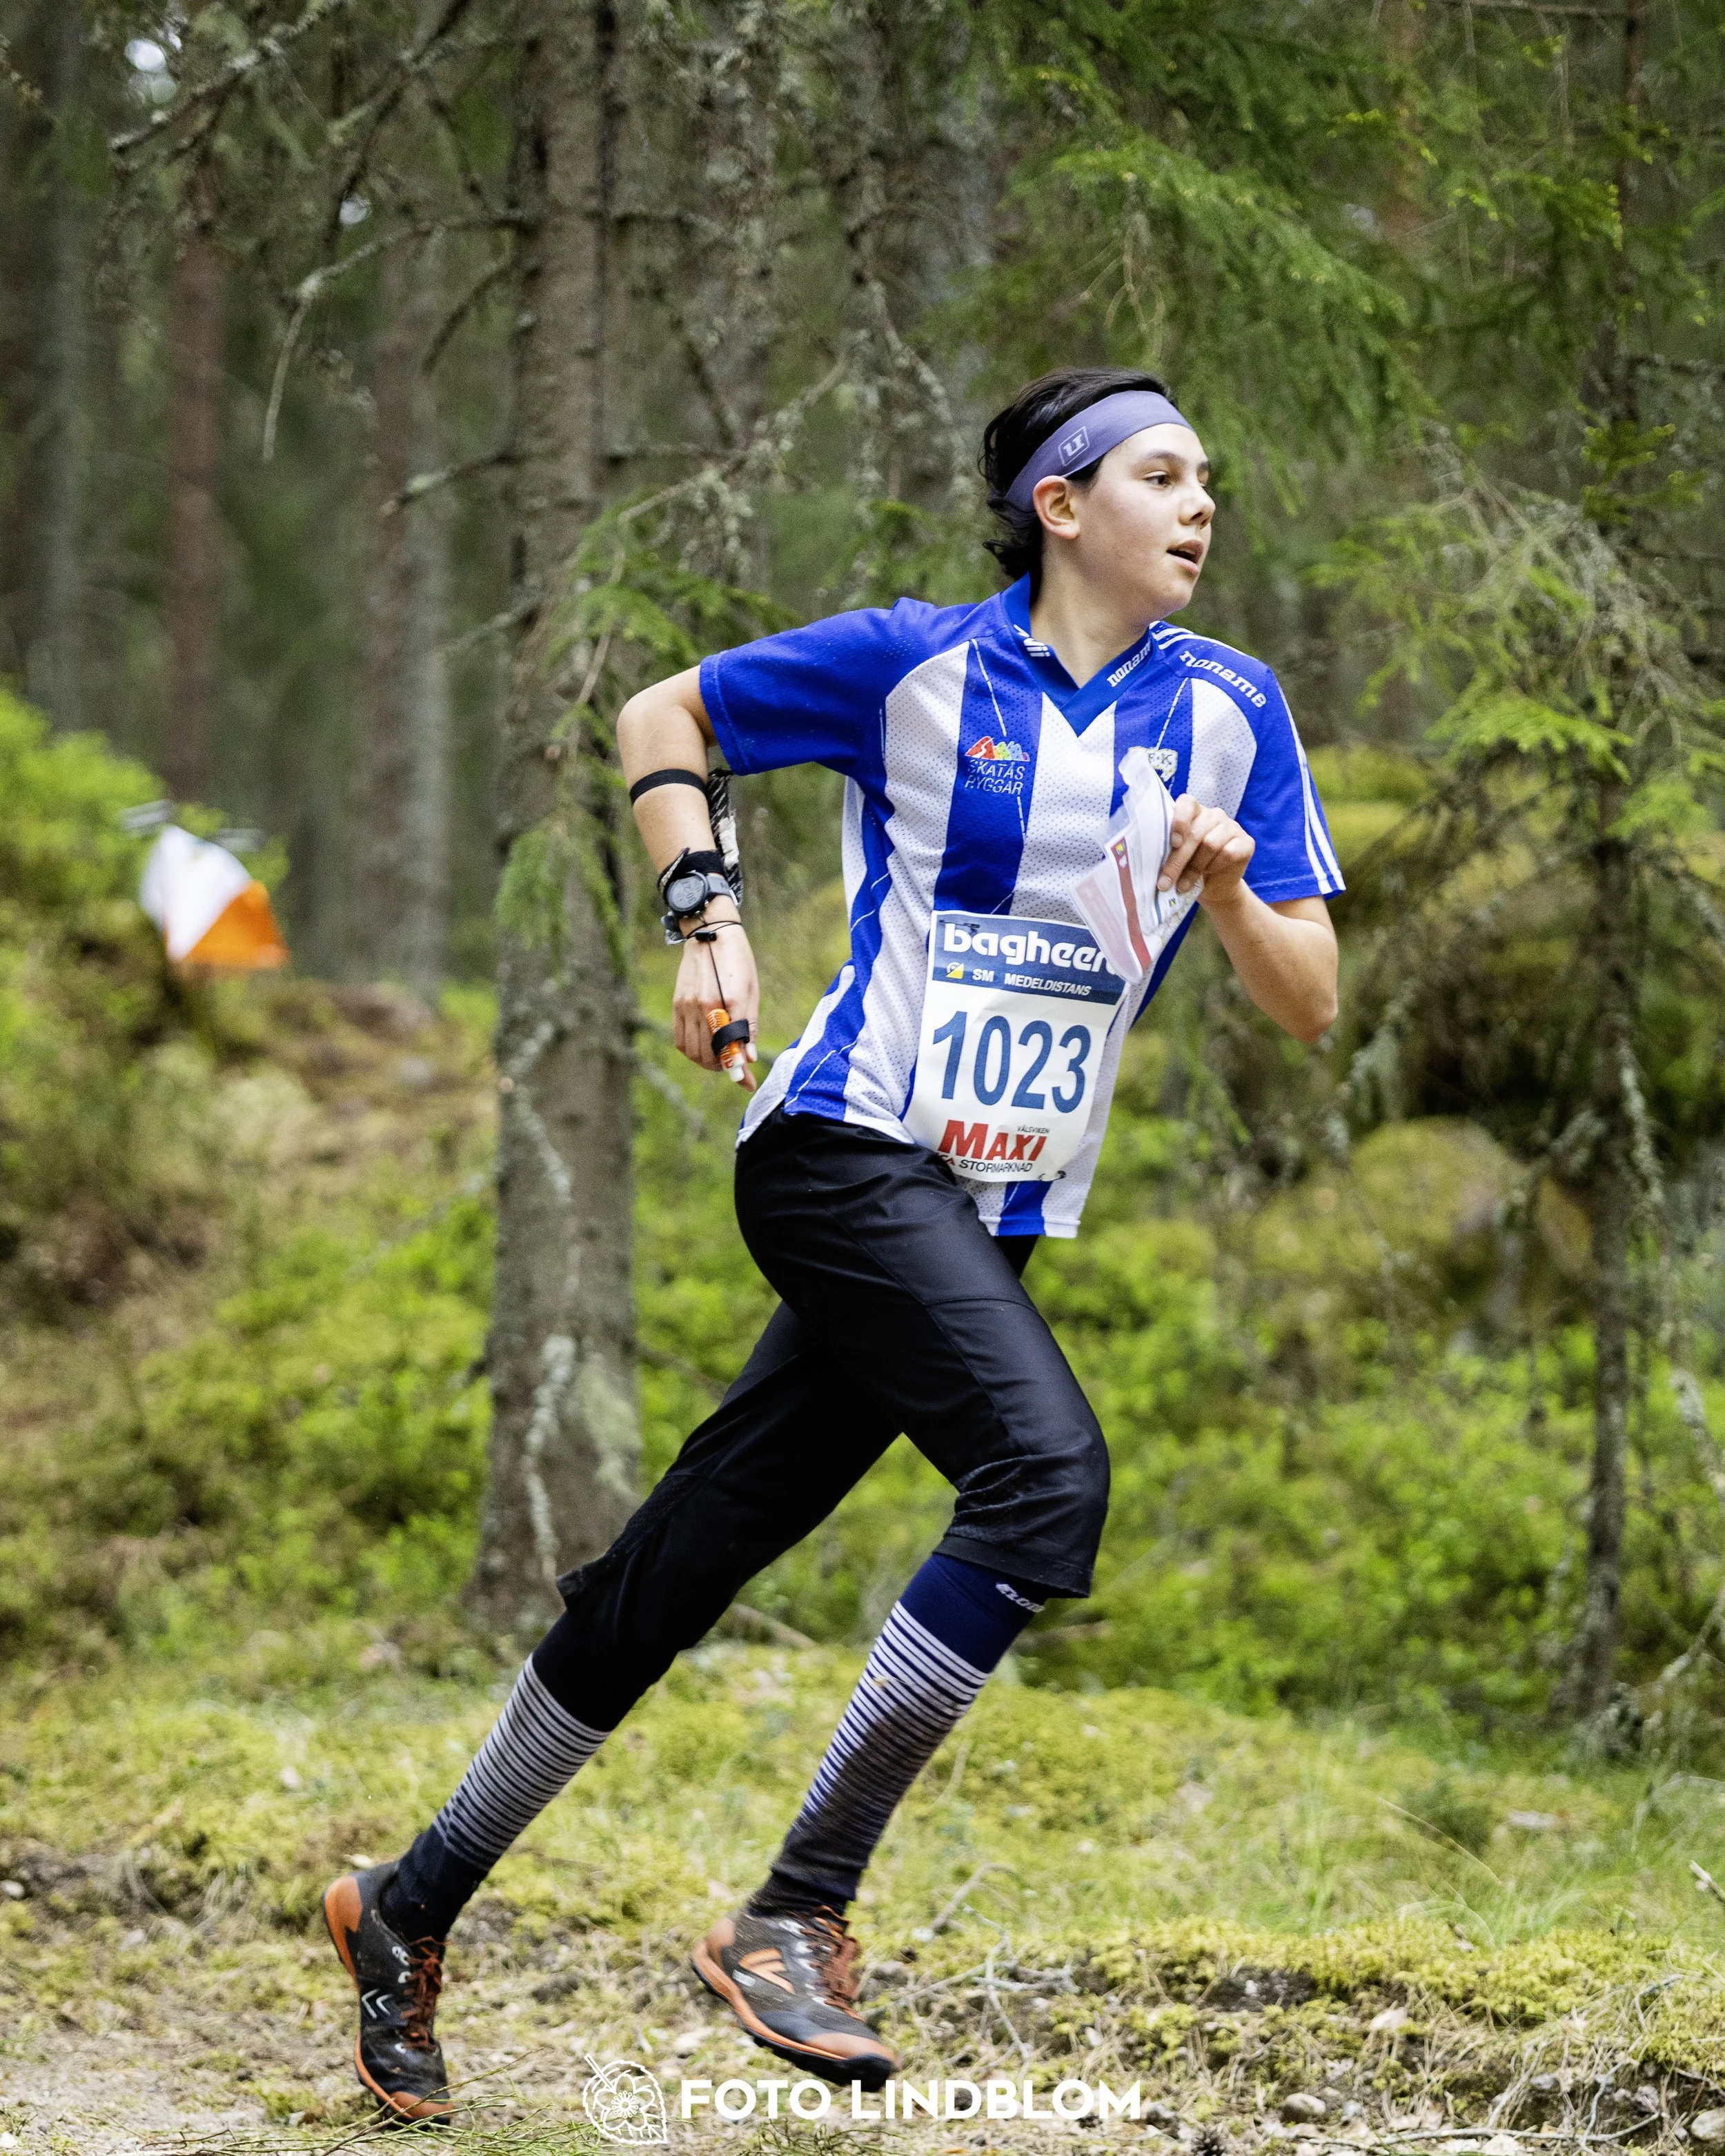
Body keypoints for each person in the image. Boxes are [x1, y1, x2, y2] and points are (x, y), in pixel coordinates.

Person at [321, 366, 1343, 2122]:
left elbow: (1310, 1003)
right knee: (1043, 1477)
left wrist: (1236, 886)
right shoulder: (912, 661)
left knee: (682, 1562)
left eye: (1207, 479)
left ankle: (404, 1905)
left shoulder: (1234, 714)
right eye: (1162, 475)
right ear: (1058, 502)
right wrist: (703, 918)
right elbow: (661, 718)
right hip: (837, 1146)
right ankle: (796, 1906)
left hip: (985, 1212)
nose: (1198, 507)